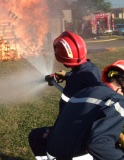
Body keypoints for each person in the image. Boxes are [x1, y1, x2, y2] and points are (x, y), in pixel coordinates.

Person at [46, 60, 124, 160]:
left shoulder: (82, 92)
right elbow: (98, 145)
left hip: (56, 152)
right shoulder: (116, 100)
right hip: (79, 155)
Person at [28, 31, 102, 160]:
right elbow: (81, 77)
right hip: (87, 128)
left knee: (36, 136)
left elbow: (76, 83)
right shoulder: (91, 69)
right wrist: (66, 75)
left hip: (74, 132)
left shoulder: (76, 80)